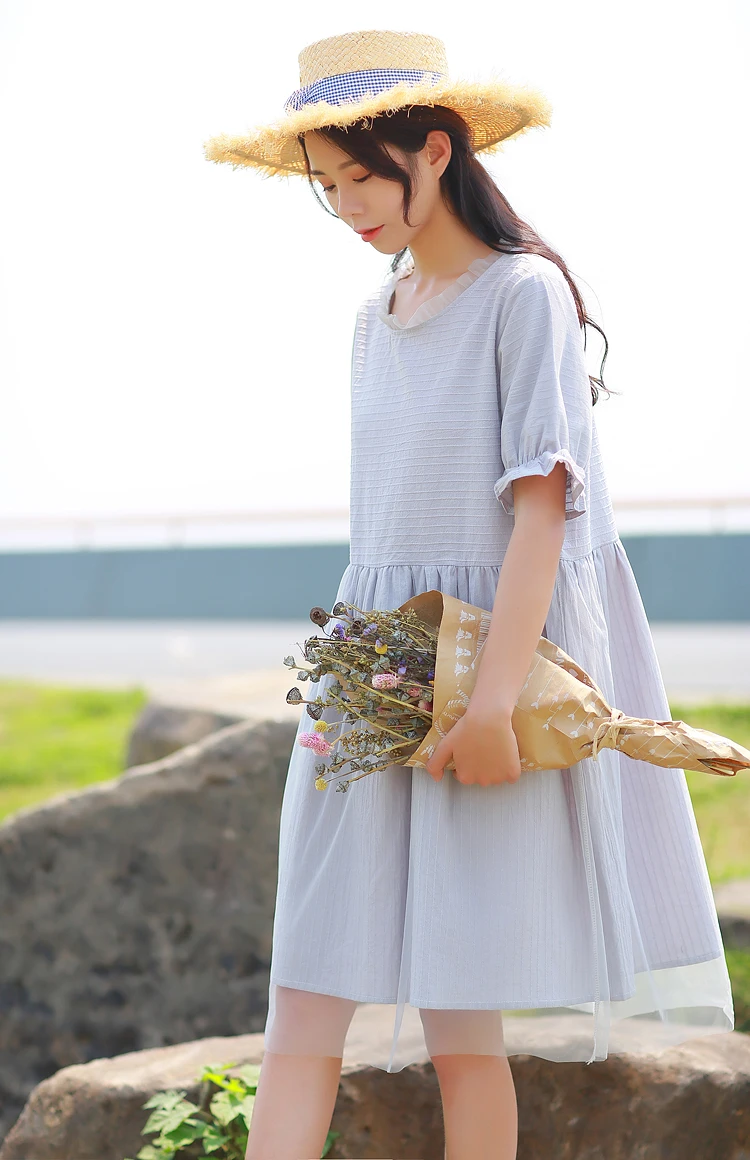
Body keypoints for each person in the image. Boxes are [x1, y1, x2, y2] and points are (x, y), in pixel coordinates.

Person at [204, 28, 734, 1160]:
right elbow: (385, 530)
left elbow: (544, 510)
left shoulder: (522, 293)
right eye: (327, 185)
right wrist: (364, 683)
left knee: (461, 1019)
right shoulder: (374, 316)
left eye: (362, 176)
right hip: (371, 670)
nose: (347, 206)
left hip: (482, 665)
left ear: (435, 151)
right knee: (302, 997)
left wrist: (491, 706)